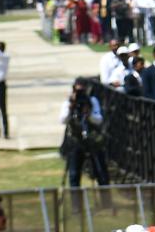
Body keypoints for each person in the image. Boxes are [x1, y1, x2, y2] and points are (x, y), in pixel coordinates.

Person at [59, 78, 110, 210]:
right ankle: (76, 206)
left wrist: (88, 113)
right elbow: (63, 120)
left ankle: (106, 203)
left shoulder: (92, 101)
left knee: (100, 171)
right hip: (76, 142)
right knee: (74, 174)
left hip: (92, 141)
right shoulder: (69, 102)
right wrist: (71, 107)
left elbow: (99, 120)